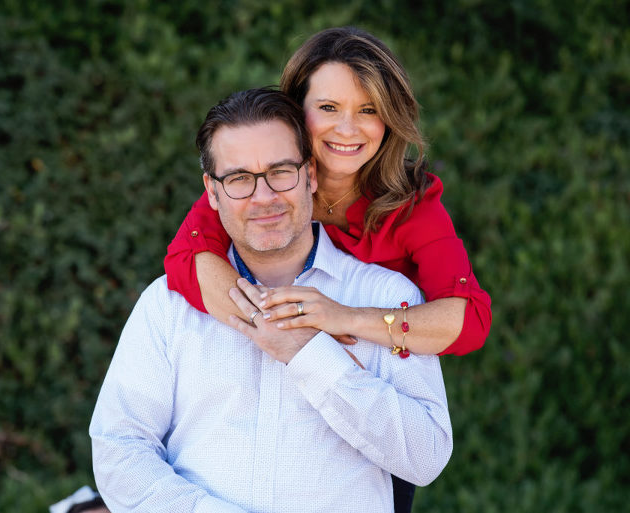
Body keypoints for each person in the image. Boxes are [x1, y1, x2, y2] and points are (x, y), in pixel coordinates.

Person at [164, 26, 492, 512]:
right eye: (329, 108)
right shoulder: (264, 186)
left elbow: (469, 320)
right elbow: (186, 259)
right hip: (262, 400)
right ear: (297, 110)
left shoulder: (412, 204)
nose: (348, 129)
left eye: (368, 110)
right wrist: (278, 330)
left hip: (365, 411)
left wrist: (345, 318)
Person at [90, 87, 452, 512]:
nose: (264, 198)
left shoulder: (386, 297)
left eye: (280, 171)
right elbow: (119, 451)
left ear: (311, 175)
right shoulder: (167, 305)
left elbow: (426, 458)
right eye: (239, 178)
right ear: (212, 191)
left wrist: (312, 356)